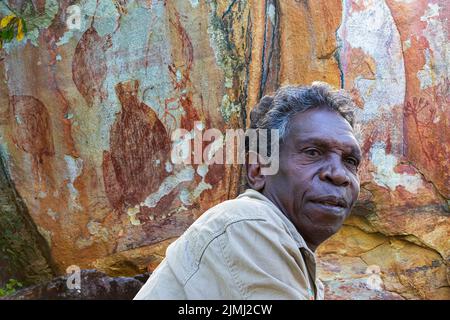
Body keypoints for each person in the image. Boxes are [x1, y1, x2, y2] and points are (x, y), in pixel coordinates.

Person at [134, 82, 362, 300]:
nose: (339, 174)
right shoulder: (248, 224)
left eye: (350, 160)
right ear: (259, 169)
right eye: (312, 152)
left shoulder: (291, 252)